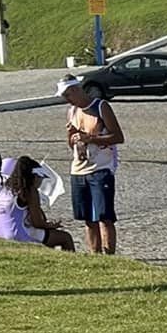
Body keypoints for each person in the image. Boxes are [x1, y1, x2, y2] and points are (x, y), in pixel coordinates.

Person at [59, 75, 124, 254]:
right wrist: (71, 135)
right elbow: (72, 144)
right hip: (78, 169)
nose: (66, 100)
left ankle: (109, 255)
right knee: (88, 218)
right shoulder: (72, 111)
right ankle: (94, 255)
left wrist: (91, 138)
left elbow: (118, 137)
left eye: (67, 95)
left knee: (105, 216)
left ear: (76, 90)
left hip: (100, 169)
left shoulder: (101, 107)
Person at [0, 155, 75, 251]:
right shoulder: (30, 191)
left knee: (48, 236)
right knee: (65, 238)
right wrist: (51, 225)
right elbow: (37, 223)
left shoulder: (7, 188)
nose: (41, 182)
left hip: (1, 235)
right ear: (35, 177)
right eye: (41, 178)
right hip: (19, 235)